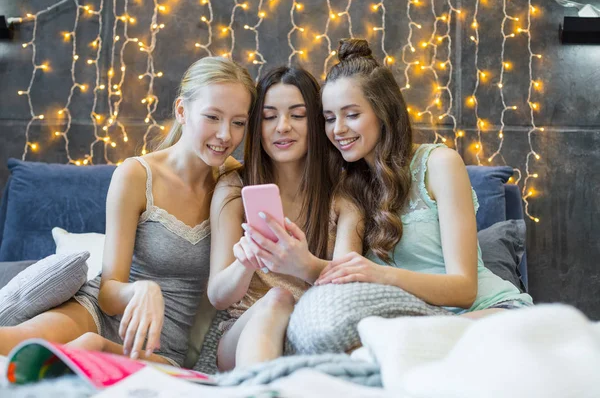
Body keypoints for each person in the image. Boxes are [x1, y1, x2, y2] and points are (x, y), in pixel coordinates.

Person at [0, 56, 256, 366]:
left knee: (84, 352)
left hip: (162, 348)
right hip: (96, 314)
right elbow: (108, 294)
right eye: (212, 117)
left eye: (238, 122)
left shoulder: (235, 183)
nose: (226, 135)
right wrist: (142, 290)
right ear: (181, 111)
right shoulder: (136, 175)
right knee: (13, 347)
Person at [315, 39, 533, 318]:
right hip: (420, 325)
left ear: (384, 113)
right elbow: (343, 285)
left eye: (352, 115)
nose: (338, 129)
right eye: (329, 118)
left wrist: (380, 275)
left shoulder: (440, 164)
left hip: (489, 312)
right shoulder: (348, 190)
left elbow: (464, 290)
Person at [208, 66, 362, 371]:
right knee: (278, 297)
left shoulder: (343, 196)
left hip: (312, 330)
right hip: (240, 334)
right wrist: (246, 262)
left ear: (316, 123)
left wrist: (302, 264)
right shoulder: (234, 188)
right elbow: (217, 296)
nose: (283, 127)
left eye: (298, 115)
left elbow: (349, 292)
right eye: (269, 117)